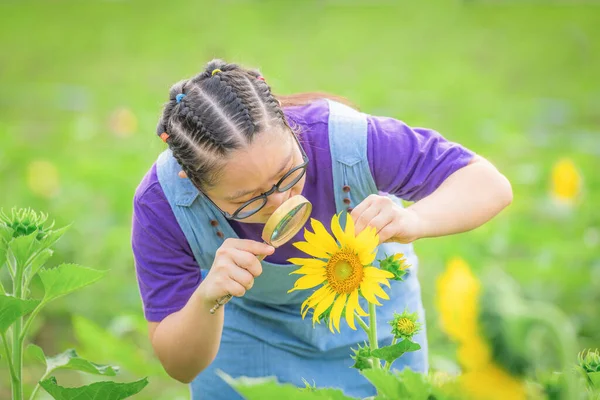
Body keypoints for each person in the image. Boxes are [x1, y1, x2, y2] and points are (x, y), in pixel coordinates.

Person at [131, 59, 513, 399]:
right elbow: (180, 366)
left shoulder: (346, 141)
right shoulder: (162, 204)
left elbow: (488, 184)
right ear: (194, 184)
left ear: (287, 123)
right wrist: (206, 300)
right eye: (249, 199)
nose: (281, 204)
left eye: (287, 173)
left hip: (372, 317)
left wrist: (415, 219)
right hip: (245, 332)